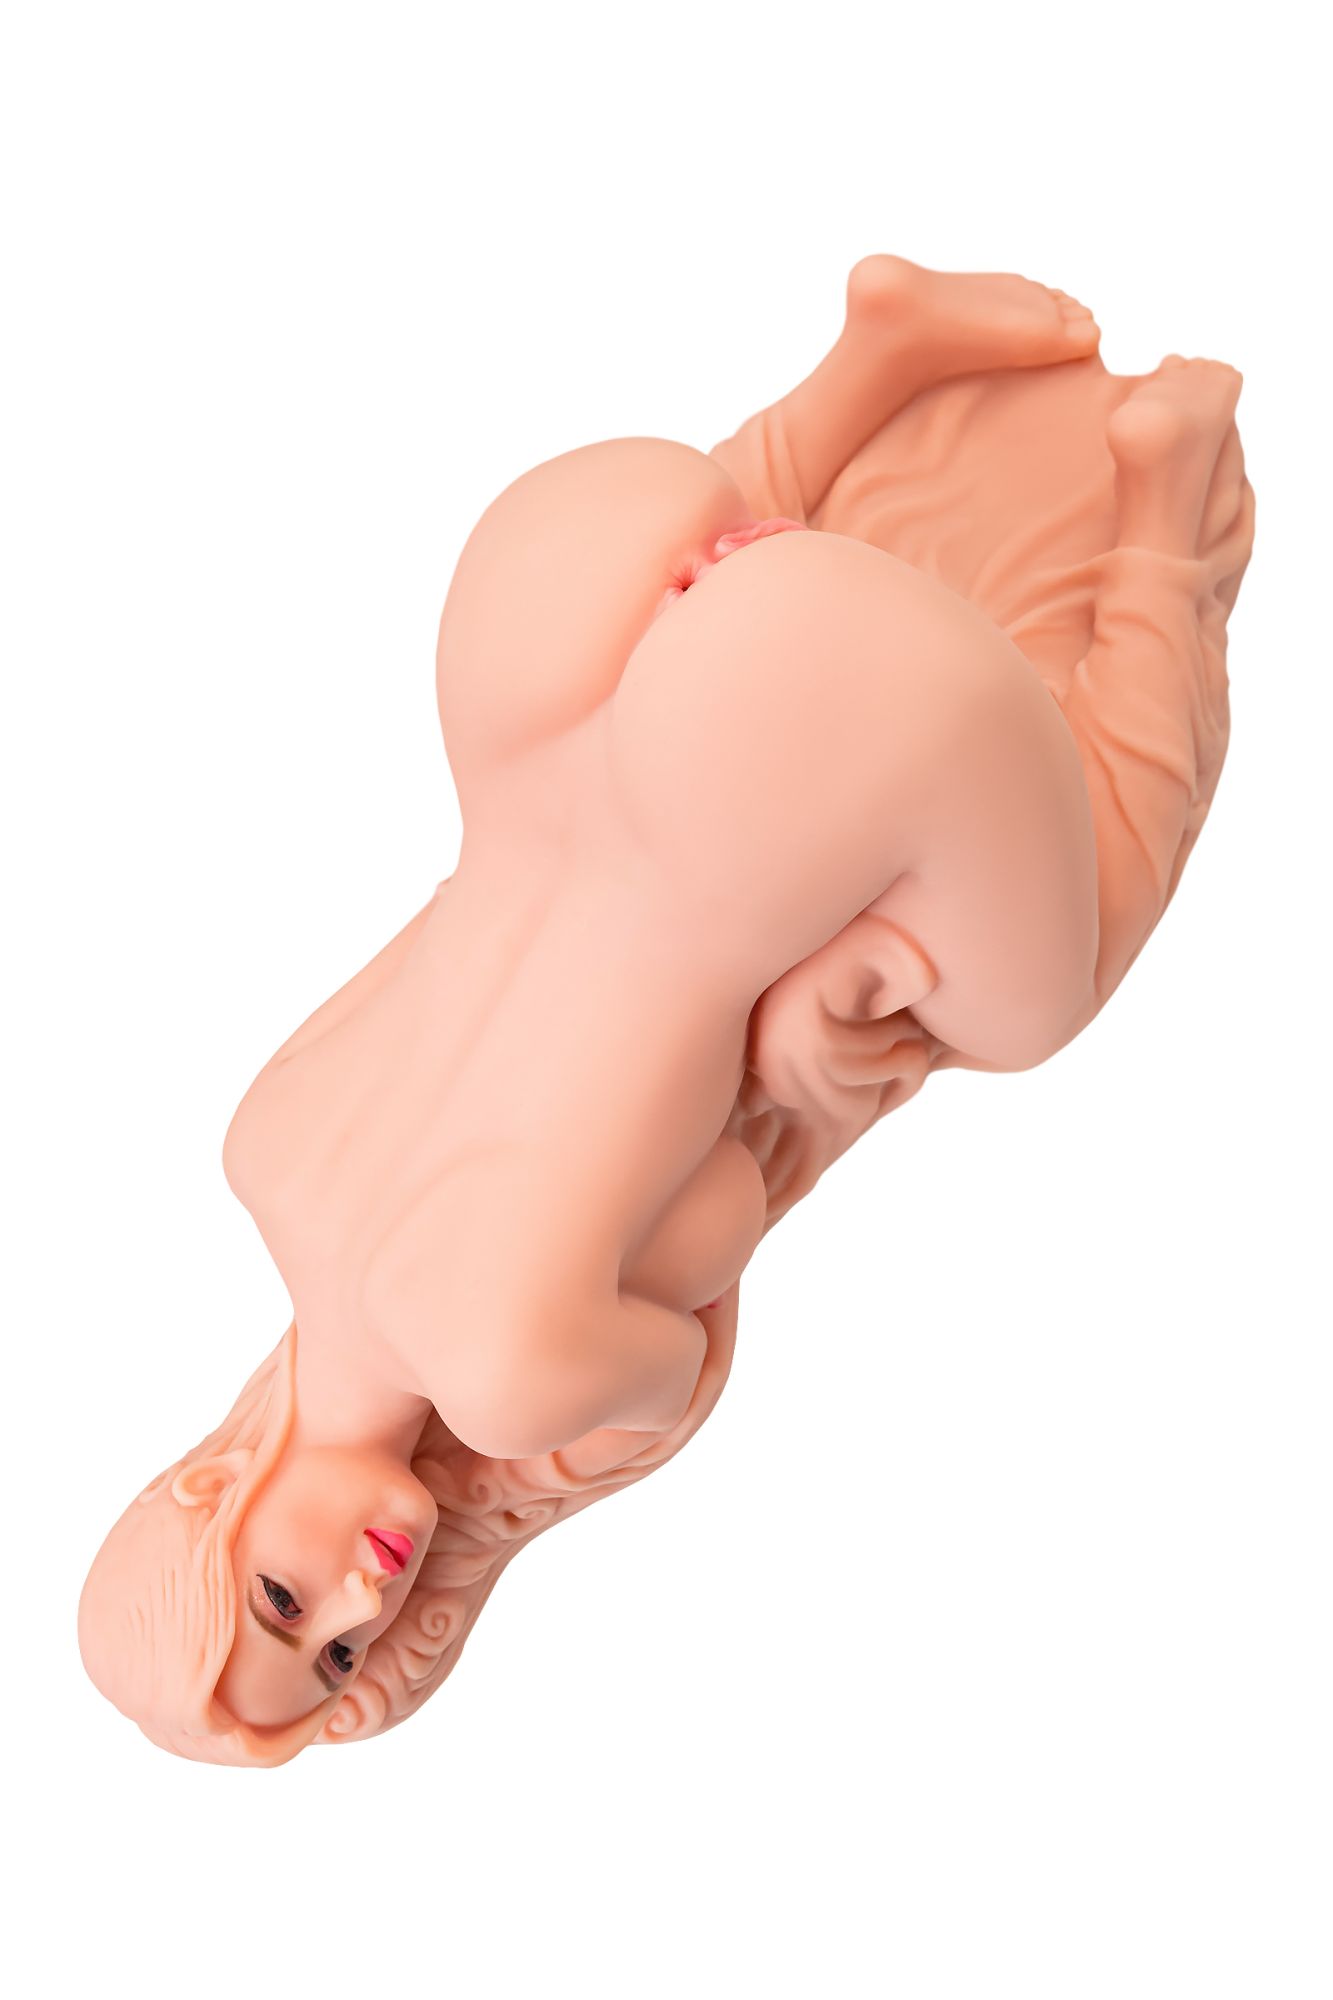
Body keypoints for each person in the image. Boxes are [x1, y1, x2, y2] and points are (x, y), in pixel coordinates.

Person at [78, 256, 1254, 1764]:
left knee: (1041, 999)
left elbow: (715, 1225)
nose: (362, 1595)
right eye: (344, 1652)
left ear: (207, 1492)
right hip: (559, 611)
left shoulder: (506, 1381)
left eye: (280, 1598)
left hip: (781, 726)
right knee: (652, 717)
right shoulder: (263, 1151)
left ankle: (1165, 508)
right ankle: (869, 361)